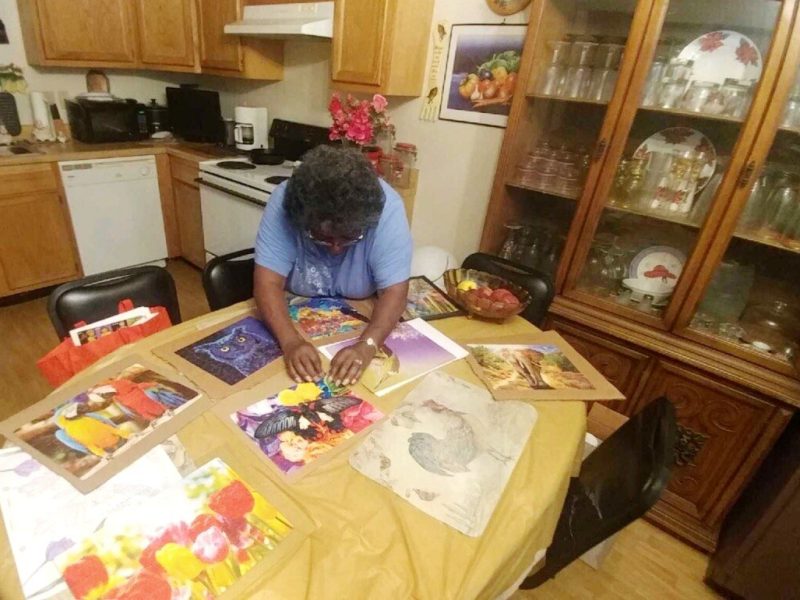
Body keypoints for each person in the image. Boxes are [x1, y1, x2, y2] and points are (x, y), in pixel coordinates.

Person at [254, 145, 412, 386]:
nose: (336, 248)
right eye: (322, 238)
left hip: (362, 318)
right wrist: (290, 342)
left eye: (349, 238)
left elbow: (394, 291)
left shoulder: (387, 208)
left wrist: (366, 346)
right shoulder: (285, 202)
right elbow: (267, 283)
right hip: (292, 317)